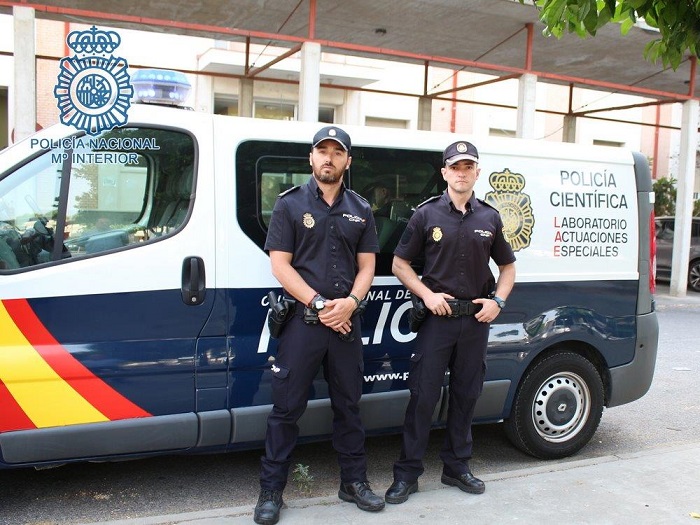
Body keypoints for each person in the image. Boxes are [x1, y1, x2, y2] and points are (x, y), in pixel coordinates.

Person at [254, 125, 384, 525]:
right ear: (311, 158)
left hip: (345, 324)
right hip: (304, 324)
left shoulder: (361, 209)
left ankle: (354, 483)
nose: (328, 158)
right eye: (322, 151)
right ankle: (271, 493)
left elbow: (367, 266)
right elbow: (280, 264)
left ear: (347, 160)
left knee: (349, 406)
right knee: (286, 410)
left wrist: (351, 303)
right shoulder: (290, 205)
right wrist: (320, 302)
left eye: (337, 152)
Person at [384, 140, 516, 504]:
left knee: (466, 395)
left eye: (468, 167)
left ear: (476, 172)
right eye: (455, 167)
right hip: (436, 322)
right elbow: (399, 264)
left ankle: (457, 467)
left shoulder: (490, 217)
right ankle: (407, 474)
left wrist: (498, 302)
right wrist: (426, 295)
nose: (461, 173)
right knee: (423, 397)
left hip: (474, 321)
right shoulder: (425, 215)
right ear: (444, 173)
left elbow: (507, 267)